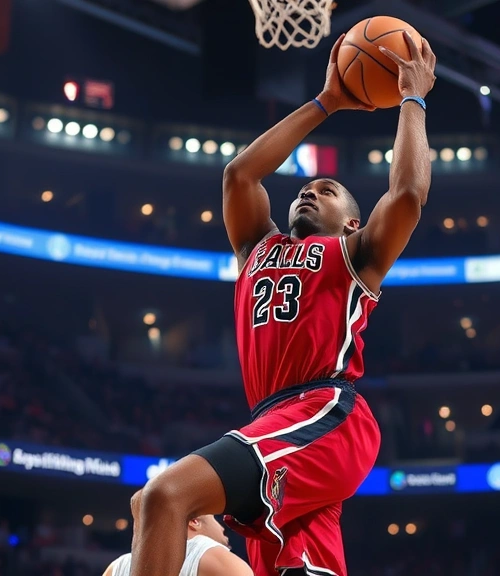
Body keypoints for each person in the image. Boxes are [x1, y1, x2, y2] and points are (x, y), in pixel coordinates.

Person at [129, 31, 436, 576]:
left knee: (163, 496)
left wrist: (412, 99)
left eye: (326, 189)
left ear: (353, 221)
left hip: (325, 410)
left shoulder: (355, 253)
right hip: (277, 423)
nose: (308, 192)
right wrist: (327, 102)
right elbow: (240, 173)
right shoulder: (255, 247)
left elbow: (408, 195)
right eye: (303, 189)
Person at [104, 516, 251, 576]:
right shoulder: (208, 550)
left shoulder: (117, 567)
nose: (222, 527)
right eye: (214, 517)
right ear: (194, 521)